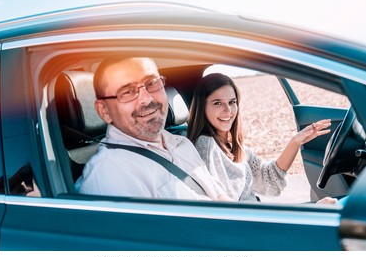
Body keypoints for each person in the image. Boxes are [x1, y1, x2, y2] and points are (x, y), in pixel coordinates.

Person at [76, 57, 231, 201]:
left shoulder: (181, 142)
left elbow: (218, 196)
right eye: (127, 92)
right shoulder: (110, 174)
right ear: (104, 111)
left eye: (151, 83)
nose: (147, 99)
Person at [187, 73, 334, 202]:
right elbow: (228, 210)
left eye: (232, 102)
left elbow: (268, 179)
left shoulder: (232, 145)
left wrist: (295, 142)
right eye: (218, 103)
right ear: (202, 106)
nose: (228, 110)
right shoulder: (206, 146)